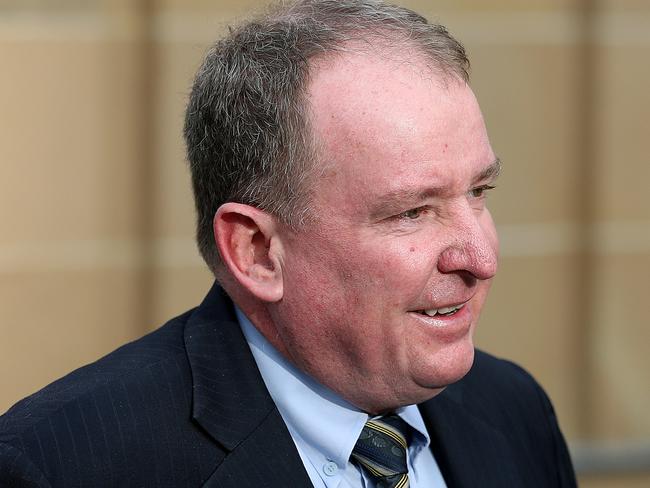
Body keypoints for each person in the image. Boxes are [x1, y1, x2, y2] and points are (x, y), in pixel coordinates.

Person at [0, 1, 577, 486]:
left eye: (479, 191)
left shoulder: (513, 412)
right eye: (412, 212)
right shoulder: (65, 464)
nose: (480, 258)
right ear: (254, 251)